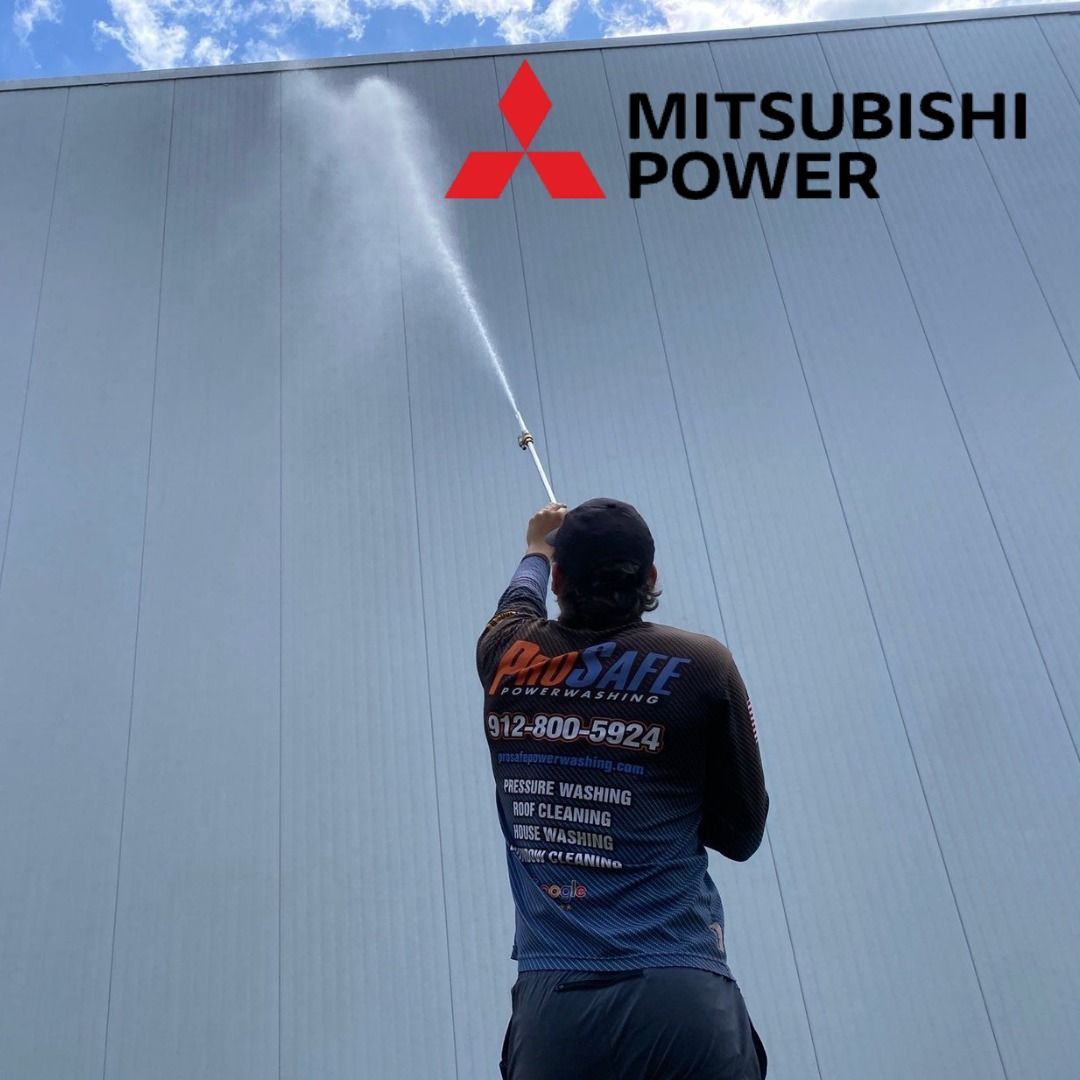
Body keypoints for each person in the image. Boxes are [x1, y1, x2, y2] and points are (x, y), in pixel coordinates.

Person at [477, 498, 770, 1080]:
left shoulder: (506, 657)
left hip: (556, 1015)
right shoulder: (702, 664)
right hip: (684, 1001)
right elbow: (742, 833)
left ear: (559, 579)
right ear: (651, 578)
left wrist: (536, 548)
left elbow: (513, 607)